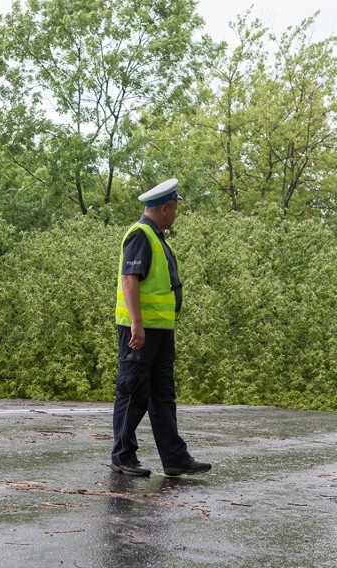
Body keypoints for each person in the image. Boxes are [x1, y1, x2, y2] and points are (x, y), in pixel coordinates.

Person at [110, 178, 211, 477]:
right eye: (175, 208)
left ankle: (175, 458)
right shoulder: (141, 235)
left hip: (160, 330)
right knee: (133, 392)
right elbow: (130, 280)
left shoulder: (157, 237)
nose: (176, 213)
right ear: (165, 208)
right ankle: (122, 456)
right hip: (141, 331)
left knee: (163, 395)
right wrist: (137, 325)